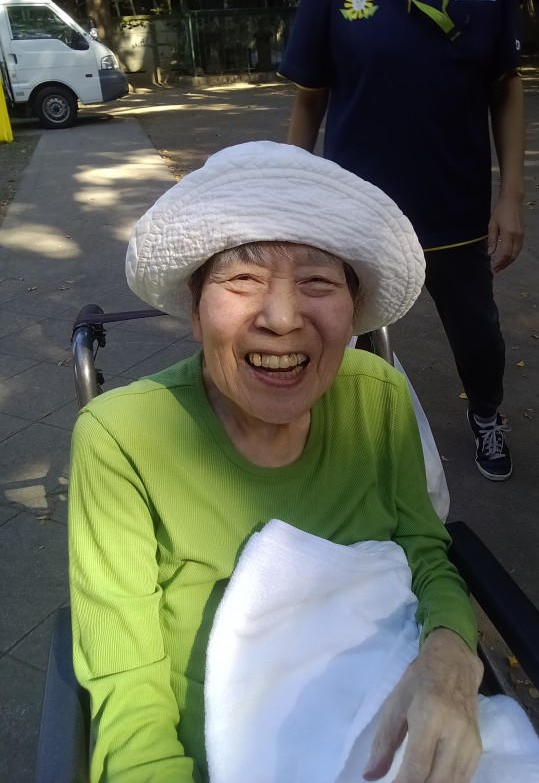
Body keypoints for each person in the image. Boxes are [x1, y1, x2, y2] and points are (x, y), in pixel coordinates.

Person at [69, 141, 484, 782]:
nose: (283, 319)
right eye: (242, 279)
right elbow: (128, 695)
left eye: (318, 282)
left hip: (389, 722)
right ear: (195, 307)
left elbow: (425, 554)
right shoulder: (120, 439)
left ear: (352, 310)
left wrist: (451, 658)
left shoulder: (378, 395)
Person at [279, 0, 525, 481]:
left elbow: (506, 85)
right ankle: (352, 428)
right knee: (349, 330)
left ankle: (486, 416)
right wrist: (288, 200)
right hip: (358, 213)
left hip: (455, 210)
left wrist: (512, 197)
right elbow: (310, 99)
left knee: (478, 336)